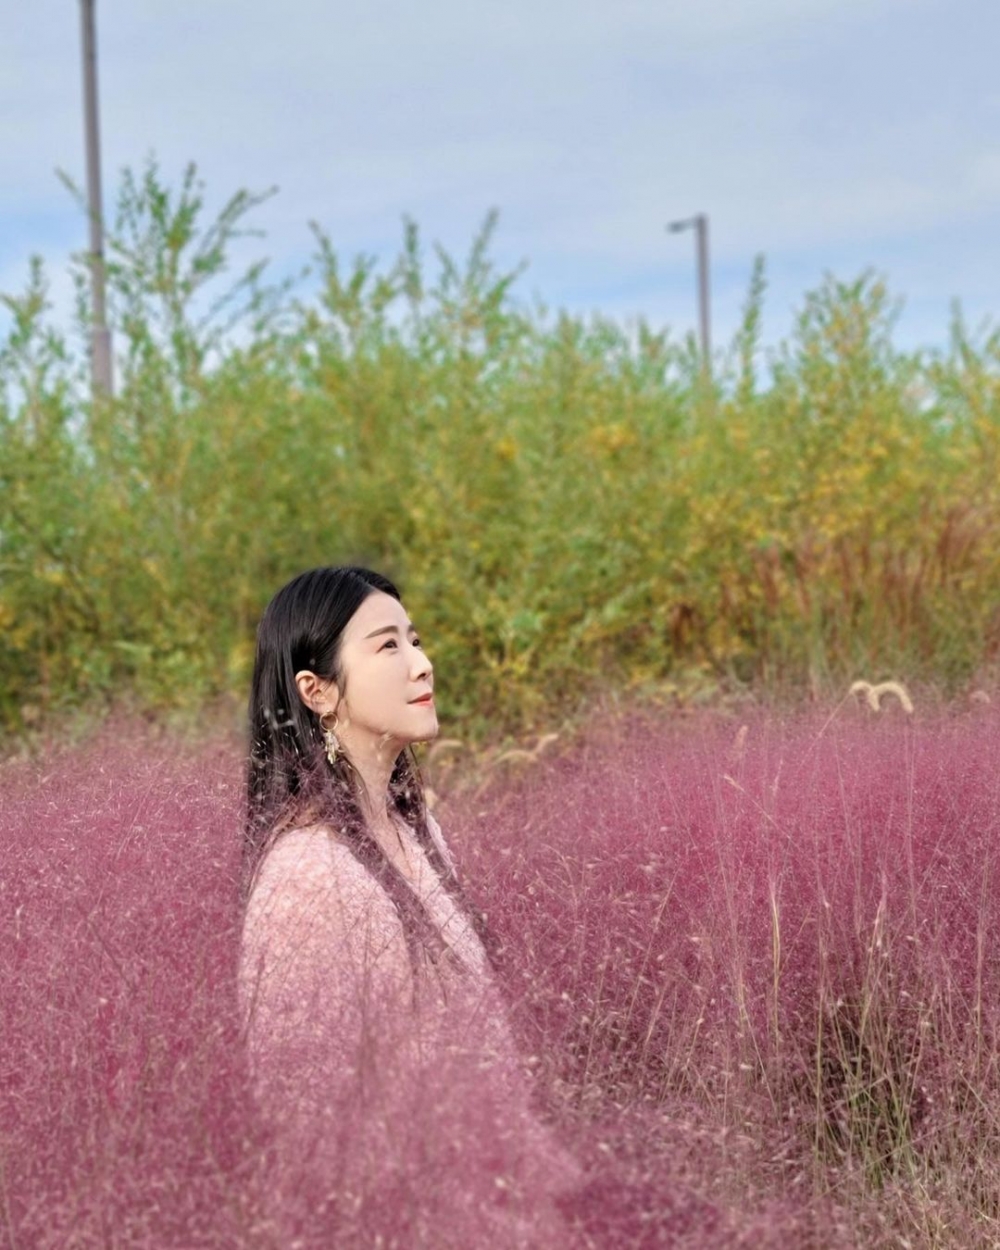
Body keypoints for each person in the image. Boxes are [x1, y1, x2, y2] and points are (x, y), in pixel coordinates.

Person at [237, 566, 577, 1247]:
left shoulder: (417, 834)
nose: (423, 664)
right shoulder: (309, 876)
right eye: (388, 647)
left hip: (506, 1207)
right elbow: (312, 1131)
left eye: (415, 640)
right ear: (317, 690)